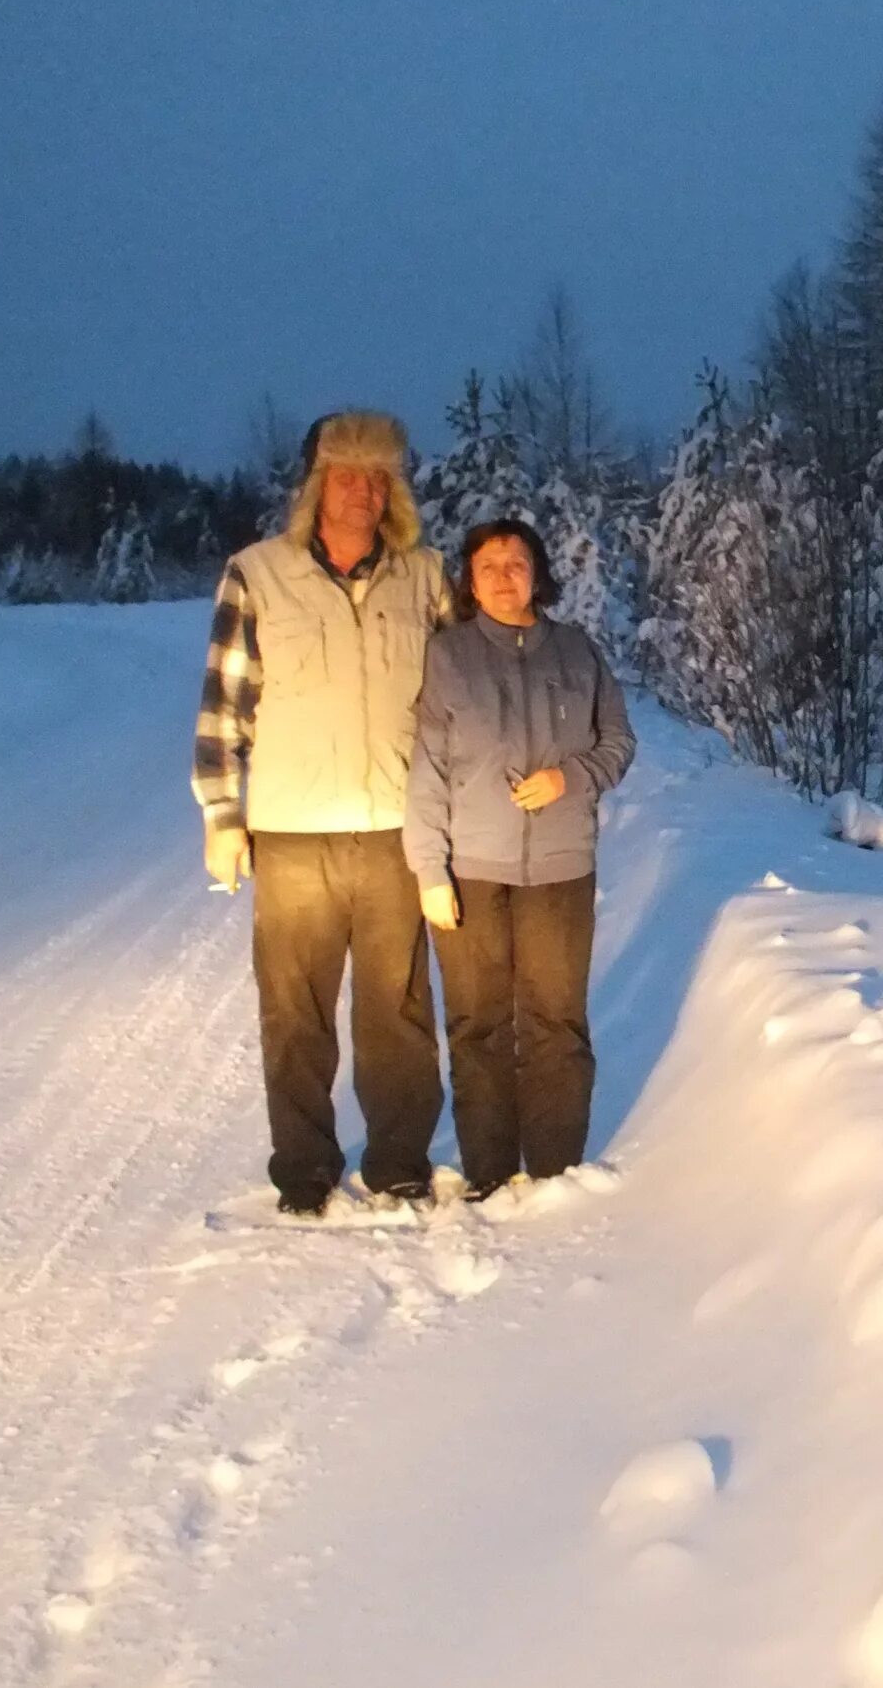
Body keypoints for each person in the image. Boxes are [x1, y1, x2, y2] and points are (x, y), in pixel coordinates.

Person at [192, 411, 452, 1216]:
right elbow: (224, 703)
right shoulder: (259, 574)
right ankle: (304, 1166)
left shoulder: (425, 578)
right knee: (295, 1013)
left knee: (397, 1014)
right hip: (293, 832)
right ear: (316, 487)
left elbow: (459, 703)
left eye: (378, 477)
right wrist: (221, 814)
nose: (364, 491)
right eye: (347, 474)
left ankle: (399, 1161)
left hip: (392, 830)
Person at [404, 518, 635, 1200]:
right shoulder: (448, 656)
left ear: (538, 573)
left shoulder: (576, 652)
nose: (503, 576)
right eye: (488, 566)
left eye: (516, 562)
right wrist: (429, 871)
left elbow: (618, 741)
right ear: (469, 582)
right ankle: (487, 1169)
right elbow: (425, 770)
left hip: (562, 867)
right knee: (478, 1023)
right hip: (473, 868)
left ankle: (555, 1170)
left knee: (555, 1021)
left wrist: (574, 775)